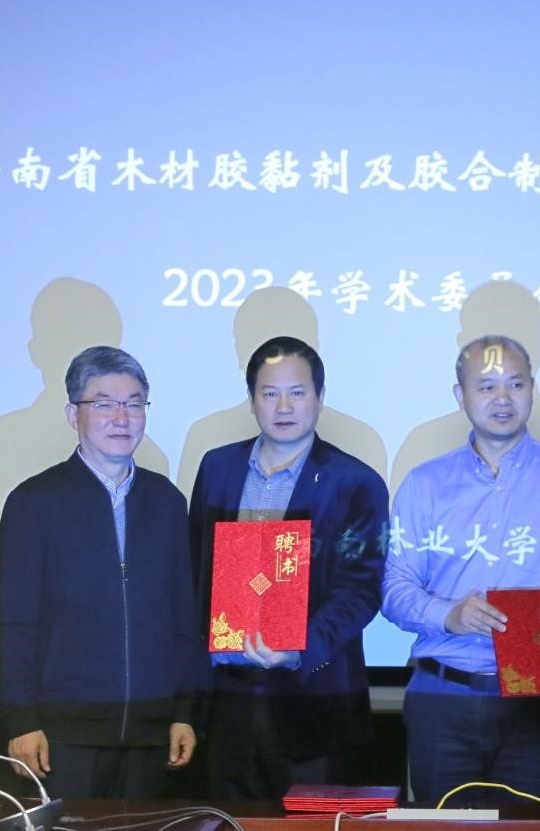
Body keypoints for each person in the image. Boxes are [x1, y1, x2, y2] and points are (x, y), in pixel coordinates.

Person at [382, 335, 540, 804]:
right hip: (443, 696)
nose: (503, 399)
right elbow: (394, 587)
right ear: (460, 395)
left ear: (533, 388)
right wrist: (448, 614)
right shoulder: (424, 483)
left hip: (538, 699)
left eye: (515, 384)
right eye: (487, 386)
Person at [0, 345, 204, 799]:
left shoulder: (166, 502)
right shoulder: (34, 502)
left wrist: (184, 710)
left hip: (151, 732)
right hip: (62, 734)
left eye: (134, 404)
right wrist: (20, 719)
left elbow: (183, 617)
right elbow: (13, 622)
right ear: (73, 414)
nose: (121, 418)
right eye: (104, 404)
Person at [190, 336, 388, 800]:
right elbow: (197, 571)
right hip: (226, 701)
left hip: (314, 702)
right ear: (251, 400)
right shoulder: (217, 468)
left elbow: (362, 589)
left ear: (320, 398)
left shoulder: (355, 482)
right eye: (270, 393)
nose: (283, 407)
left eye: (297, 393)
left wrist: (297, 647)